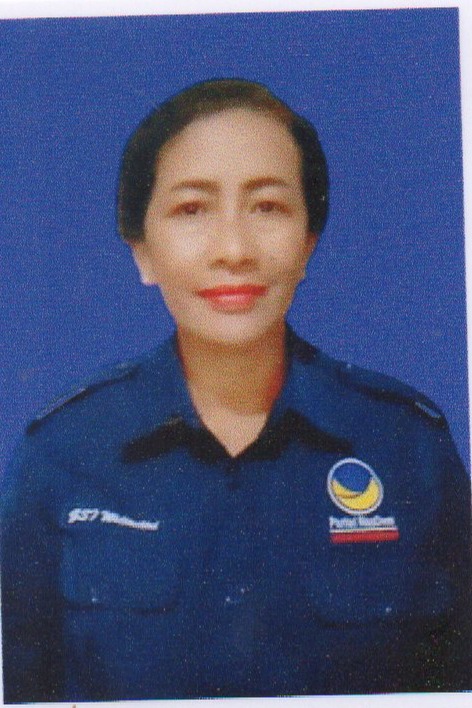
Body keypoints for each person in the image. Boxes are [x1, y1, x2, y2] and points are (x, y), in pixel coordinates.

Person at [1, 78, 471, 703]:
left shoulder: (407, 447)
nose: (234, 250)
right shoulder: (63, 455)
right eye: (192, 210)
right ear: (141, 249)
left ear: (309, 241)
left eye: (268, 207)